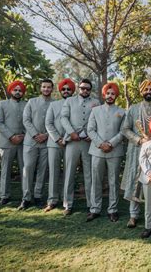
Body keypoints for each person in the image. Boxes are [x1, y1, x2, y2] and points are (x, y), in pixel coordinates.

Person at [121, 80, 151, 228]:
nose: (148, 91)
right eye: (146, 89)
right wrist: (139, 140)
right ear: (141, 92)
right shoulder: (133, 109)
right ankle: (133, 216)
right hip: (137, 150)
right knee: (135, 182)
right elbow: (125, 129)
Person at [60, 79, 100, 216]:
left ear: (90, 90)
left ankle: (91, 204)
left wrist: (93, 135)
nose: (85, 91)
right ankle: (68, 204)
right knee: (69, 173)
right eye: (83, 88)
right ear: (78, 88)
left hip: (88, 142)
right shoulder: (69, 101)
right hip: (72, 141)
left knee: (89, 174)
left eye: (88, 89)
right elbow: (63, 118)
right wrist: (71, 132)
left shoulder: (96, 102)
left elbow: (98, 120)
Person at [86, 82, 125, 222]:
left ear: (116, 95)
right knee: (96, 180)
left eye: (112, 93)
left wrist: (111, 143)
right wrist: (101, 144)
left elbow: (123, 131)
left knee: (113, 181)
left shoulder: (122, 112)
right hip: (97, 151)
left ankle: (113, 210)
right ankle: (94, 209)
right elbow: (90, 130)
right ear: (104, 95)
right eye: (107, 93)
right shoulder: (95, 111)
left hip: (115, 151)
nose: (110, 96)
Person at [18, 79, 54, 210]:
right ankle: (26, 198)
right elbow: (26, 120)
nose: (46, 89)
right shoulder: (31, 102)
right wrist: (35, 135)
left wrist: (46, 135)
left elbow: (56, 123)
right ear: (41, 88)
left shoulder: (55, 104)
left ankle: (38, 196)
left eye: (49, 87)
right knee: (28, 169)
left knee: (43, 171)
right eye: (44, 87)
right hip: (30, 142)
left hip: (46, 142)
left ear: (52, 89)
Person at [44, 78, 75, 212]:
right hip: (54, 143)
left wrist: (66, 139)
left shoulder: (76, 104)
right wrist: (57, 139)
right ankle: (52, 201)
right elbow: (48, 123)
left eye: (68, 89)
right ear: (60, 90)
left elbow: (77, 124)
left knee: (69, 173)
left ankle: (67, 202)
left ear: (72, 90)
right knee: (53, 172)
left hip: (71, 143)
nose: (66, 91)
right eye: (64, 89)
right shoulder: (54, 105)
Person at [0, 80, 27, 205]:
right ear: (10, 90)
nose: (18, 92)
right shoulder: (2, 104)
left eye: (20, 90)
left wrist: (23, 135)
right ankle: (4, 195)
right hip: (6, 143)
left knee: (25, 170)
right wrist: (11, 136)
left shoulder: (27, 104)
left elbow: (29, 121)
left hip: (23, 142)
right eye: (15, 90)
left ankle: (26, 195)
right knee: (5, 170)